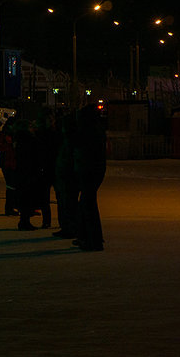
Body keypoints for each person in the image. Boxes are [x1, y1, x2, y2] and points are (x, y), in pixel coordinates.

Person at [73, 104, 107, 251]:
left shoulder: (88, 131)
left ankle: (92, 240)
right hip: (93, 170)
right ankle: (89, 237)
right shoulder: (95, 129)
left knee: (88, 205)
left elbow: (82, 147)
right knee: (87, 204)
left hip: (89, 170)